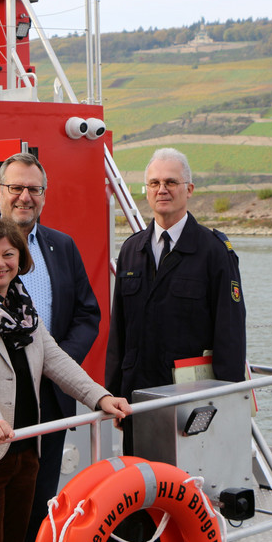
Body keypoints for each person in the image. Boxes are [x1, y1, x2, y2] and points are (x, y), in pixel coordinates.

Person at [0, 217, 131, 542]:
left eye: (8, 254)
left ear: (20, 260)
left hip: (23, 452)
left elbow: (56, 360)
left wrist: (100, 397)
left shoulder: (24, 309)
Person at [106, 147, 247, 454]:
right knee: (141, 479)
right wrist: (113, 393)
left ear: (189, 189)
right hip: (138, 396)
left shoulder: (213, 252)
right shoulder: (131, 250)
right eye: (154, 183)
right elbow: (119, 331)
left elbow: (230, 333)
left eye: (171, 182)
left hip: (191, 400)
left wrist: (227, 399)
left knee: (192, 477)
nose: (162, 190)